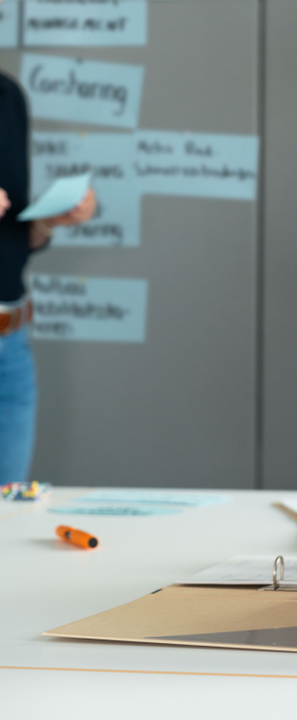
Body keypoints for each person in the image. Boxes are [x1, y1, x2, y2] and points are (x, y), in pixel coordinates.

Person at [0, 64, 96, 486]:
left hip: (10, 340)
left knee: (10, 519)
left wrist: (50, 220)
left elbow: (16, 237)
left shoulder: (7, 96)